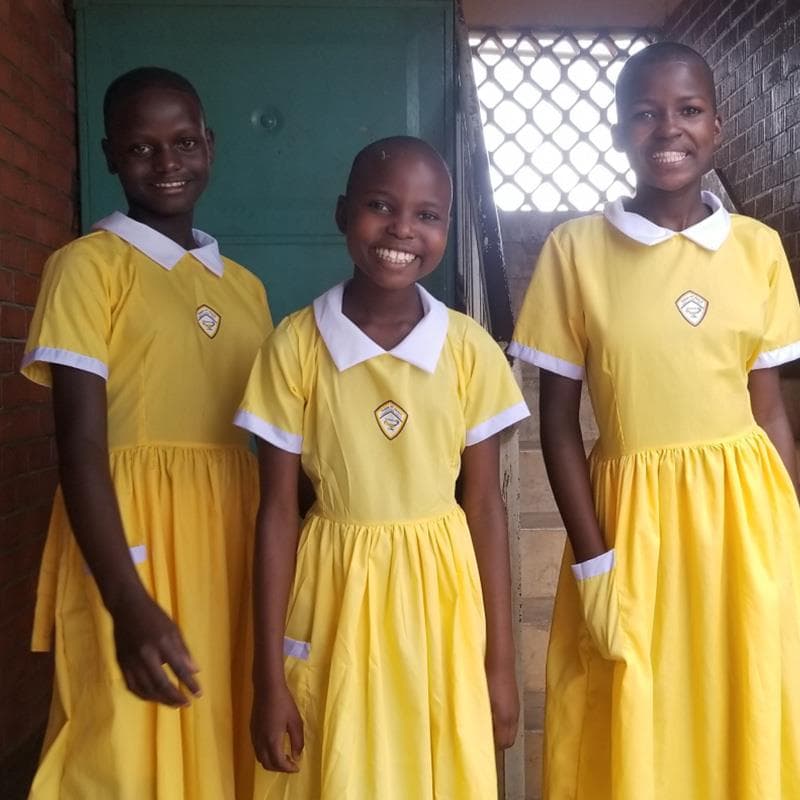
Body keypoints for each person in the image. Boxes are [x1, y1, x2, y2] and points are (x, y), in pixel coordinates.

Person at [509, 41, 800, 800]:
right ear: (617, 130)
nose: (667, 128)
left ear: (719, 125)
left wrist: (791, 532)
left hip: (745, 521)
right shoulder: (575, 251)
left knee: (745, 697)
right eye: (644, 113)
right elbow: (559, 425)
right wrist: (594, 561)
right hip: (628, 520)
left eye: (688, 110)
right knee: (633, 701)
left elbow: (768, 411)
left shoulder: (759, 249)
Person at [234, 135, 529, 799]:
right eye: (380, 206)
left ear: (448, 230)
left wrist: (501, 666)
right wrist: (267, 675)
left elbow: (484, 506)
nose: (402, 229)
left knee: (438, 764)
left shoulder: (469, 350)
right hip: (333, 590)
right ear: (344, 214)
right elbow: (279, 509)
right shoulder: (294, 344)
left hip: (442, 595)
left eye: (428, 215)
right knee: (337, 763)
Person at [21, 67, 272, 799]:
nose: (168, 163)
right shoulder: (85, 268)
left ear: (211, 146)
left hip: (230, 534)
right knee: (121, 742)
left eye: (184, 141)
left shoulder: (246, 288)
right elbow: (80, 445)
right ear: (109, 156)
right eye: (142, 148)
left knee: (220, 726)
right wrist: (126, 600)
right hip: (127, 537)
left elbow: (269, 439)